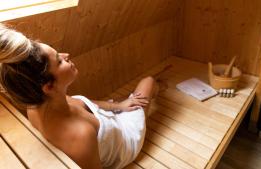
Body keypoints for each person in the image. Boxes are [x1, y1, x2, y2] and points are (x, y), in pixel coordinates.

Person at [0, 24, 158, 169]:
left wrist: (119, 106)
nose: (66, 55)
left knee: (127, 99)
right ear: (48, 86)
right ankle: (157, 90)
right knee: (149, 81)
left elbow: (86, 104)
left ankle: (125, 104)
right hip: (124, 141)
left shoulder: (38, 105)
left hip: (108, 119)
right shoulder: (81, 136)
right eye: (59, 60)